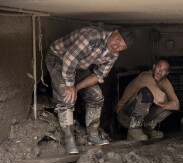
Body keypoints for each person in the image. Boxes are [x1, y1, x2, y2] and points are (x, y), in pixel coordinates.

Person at [45, 26, 139, 154]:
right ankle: (69, 139)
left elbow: (98, 76)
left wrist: (77, 87)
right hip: (59, 58)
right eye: (118, 40)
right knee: (66, 97)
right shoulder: (91, 37)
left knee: (97, 97)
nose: (117, 47)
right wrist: (69, 85)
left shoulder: (113, 55)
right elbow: (69, 59)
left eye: (122, 47)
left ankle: (93, 135)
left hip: (79, 66)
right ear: (115, 32)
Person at [116, 59, 180, 141]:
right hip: (124, 116)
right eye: (159, 67)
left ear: (167, 73)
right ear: (154, 67)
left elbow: (176, 105)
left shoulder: (165, 82)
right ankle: (134, 129)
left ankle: (147, 128)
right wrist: (163, 101)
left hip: (142, 118)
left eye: (164, 70)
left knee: (169, 107)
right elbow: (161, 98)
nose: (160, 72)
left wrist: (165, 104)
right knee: (146, 93)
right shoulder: (145, 76)